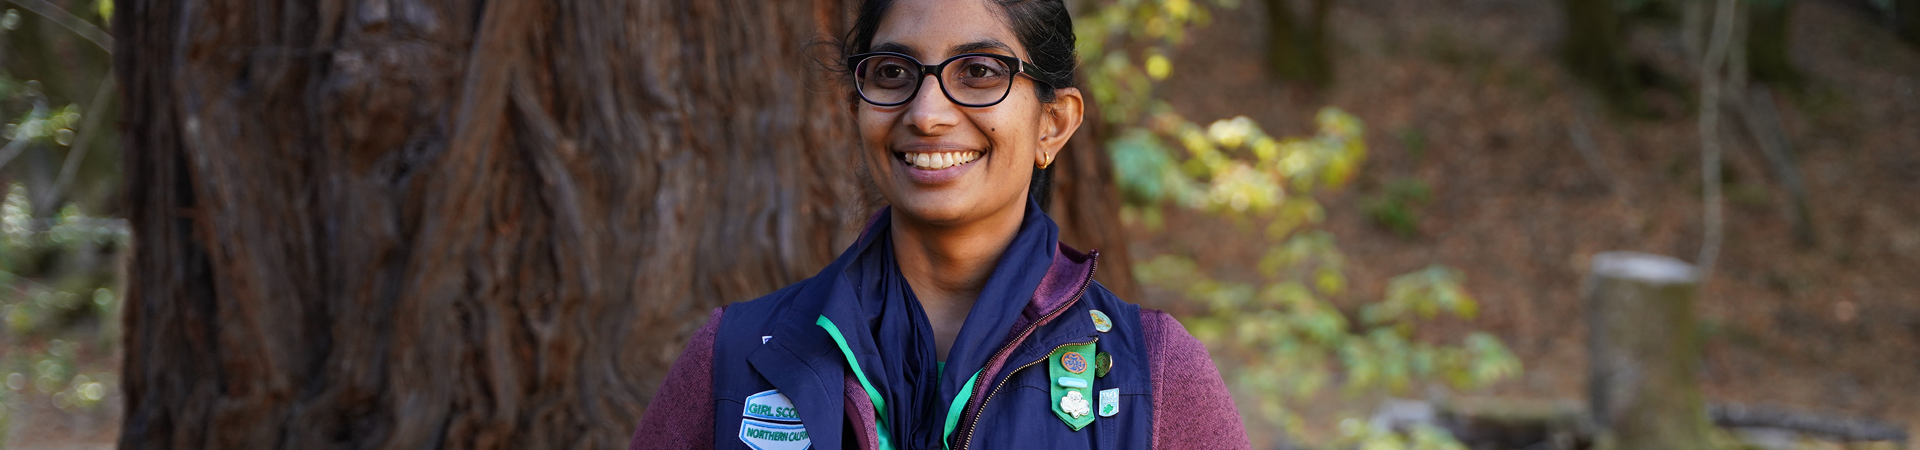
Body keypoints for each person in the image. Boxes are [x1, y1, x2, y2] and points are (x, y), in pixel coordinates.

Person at [629, 0, 1248, 448]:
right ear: (857, 107)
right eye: (893, 73)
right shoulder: (737, 357)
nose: (926, 115)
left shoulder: (1153, 378)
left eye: (980, 72)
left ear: (1052, 124)